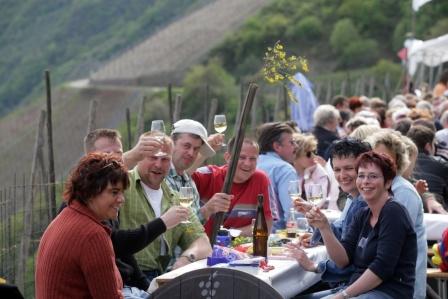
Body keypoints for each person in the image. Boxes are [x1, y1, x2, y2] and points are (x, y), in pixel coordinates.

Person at [63, 128, 189, 298]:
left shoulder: (107, 198)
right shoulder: (80, 202)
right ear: (89, 159)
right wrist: (162, 223)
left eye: (119, 153)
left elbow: (123, 254)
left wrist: (149, 287)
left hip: (133, 283)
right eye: (107, 154)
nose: (121, 199)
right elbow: (116, 243)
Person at [301, 151, 417, 298]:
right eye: (361, 175)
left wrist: (343, 295)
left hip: (388, 292)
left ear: (388, 182)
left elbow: (382, 268)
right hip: (359, 290)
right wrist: (324, 227)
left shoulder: (393, 211)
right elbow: (342, 260)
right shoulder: (363, 214)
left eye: (373, 176)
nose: (365, 181)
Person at [119, 133, 212, 283]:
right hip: (126, 277)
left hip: (161, 278)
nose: (158, 164)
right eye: (153, 157)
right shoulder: (122, 183)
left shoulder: (175, 198)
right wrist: (130, 156)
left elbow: (202, 242)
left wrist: (187, 259)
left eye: (164, 159)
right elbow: (92, 177)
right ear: (140, 157)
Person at [36, 153, 129, 299]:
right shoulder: (93, 235)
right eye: (114, 192)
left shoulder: (64, 217)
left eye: (122, 192)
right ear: (91, 191)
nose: (121, 199)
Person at [289, 138, 370, 290]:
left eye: (349, 168)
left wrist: (315, 266)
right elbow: (341, 233)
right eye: (337, 170)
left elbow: (346, 262)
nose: (342, 175)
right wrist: (318, 232)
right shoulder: (353, 198)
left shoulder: (365, 204)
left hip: (354, 287)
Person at [366, 130, 426, 299]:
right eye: (375, 156)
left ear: (398, 161)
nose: (380, 161)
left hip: (399, 286)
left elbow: (390, 247)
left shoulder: (403, 192)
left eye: (387, 157)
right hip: (380, 282)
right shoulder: (374, 187)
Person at [192, 137, 272, 237]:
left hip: (240, 249)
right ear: (227, 157)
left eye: (252, 159)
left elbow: (266, 224)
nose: (247, 164)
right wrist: (204, 152)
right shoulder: (206, 175)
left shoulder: (261, 179)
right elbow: (181, 175)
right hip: (203, 247)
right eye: (242, 157)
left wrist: (227, 235)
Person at [165, 119, 229, 224]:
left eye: (196, 149)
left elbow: (191, 228)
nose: (191, 153)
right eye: (186, 146)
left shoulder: (188, 181)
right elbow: (172, 227)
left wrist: (207, 210)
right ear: (171, 143)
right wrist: (206, 210)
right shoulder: (158, 176)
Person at [256, 122, 298, 230]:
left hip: (244, 234)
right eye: (292, 142)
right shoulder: (285, 169)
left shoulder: (250, 164)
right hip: (275, 237)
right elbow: (292, 212)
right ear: (277, 146)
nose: (296, 146)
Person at [292, 133, 338, 210]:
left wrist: (308, 177)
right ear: (296, 156)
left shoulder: (319, 172)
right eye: (308, 154)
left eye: (314, 152)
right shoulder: (288, 172)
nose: (314, 156)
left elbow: (317, 203)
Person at [407, 125, 448, 206]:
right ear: (428, 146)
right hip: (438, 211)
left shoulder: (402, 165)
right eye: (434, 144)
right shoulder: (443, 165)